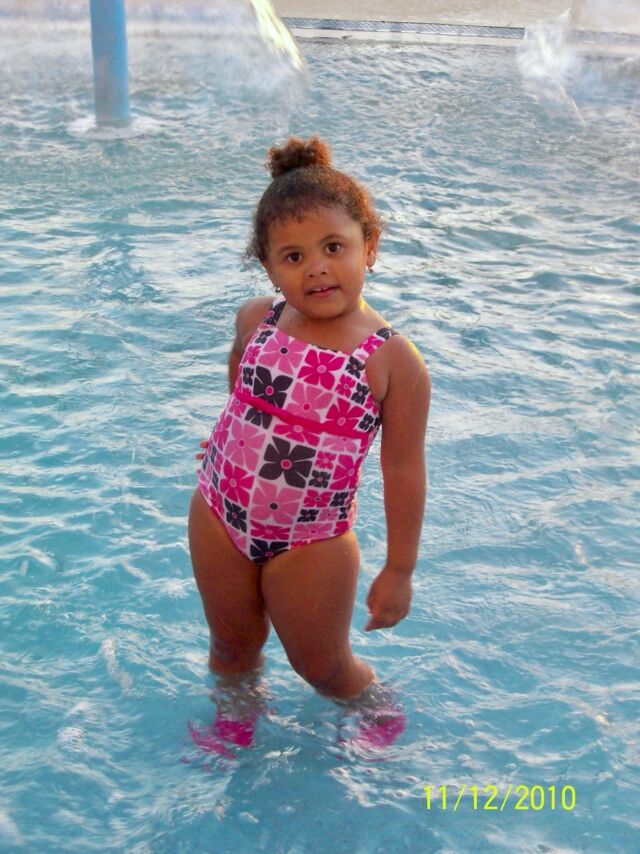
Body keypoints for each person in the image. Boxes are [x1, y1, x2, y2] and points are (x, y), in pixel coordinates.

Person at [188, 135, 430, 749]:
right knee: (231, 645)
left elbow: (404, 468)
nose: (316, 267)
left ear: (370, 246)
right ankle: (235, 722)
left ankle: (373, 707)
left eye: (333, 247)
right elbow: (242, 374)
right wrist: (230, 436)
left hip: (311, 537)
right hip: (219, 510)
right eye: (293, 257)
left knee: (320, 665)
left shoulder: (391, 361)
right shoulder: (258, 319)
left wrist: (399, 569)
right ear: (269, 268)